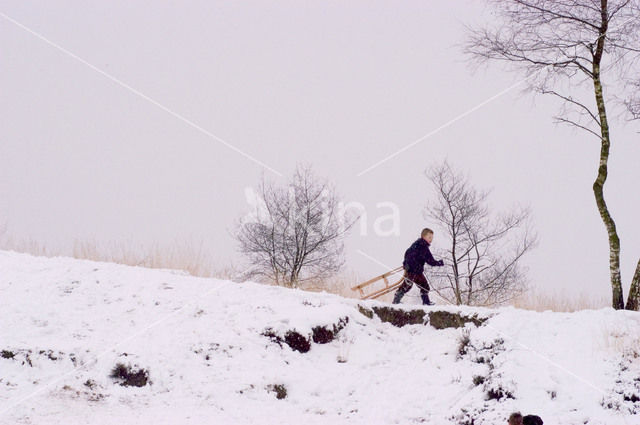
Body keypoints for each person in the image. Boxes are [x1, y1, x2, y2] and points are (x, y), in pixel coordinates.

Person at [392, 228, 444, 305]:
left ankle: (426, 302)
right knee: (408, 286)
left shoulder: (416, 244)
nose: (431, 239)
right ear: (424, 236)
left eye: (432, 238)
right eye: (429, 237)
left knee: (423, 286)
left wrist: (405, 263)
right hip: (414, 270)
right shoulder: (423, 246)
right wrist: (439, 263)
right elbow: (430, 261)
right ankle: (396, 301)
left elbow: (407, 252)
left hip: (415, 270)